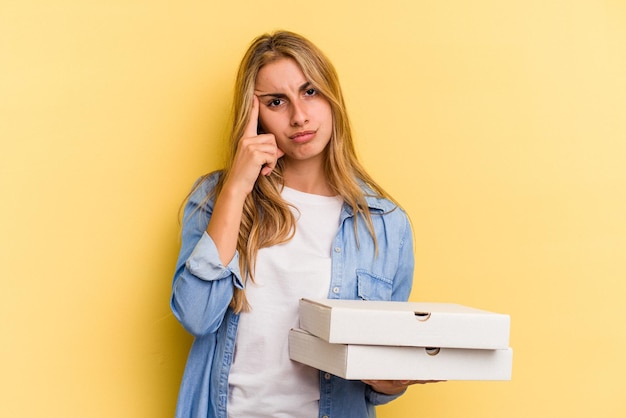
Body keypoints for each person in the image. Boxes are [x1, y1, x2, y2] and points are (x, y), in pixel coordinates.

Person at [171, 30, 425, 418]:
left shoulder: (385, 224)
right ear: (254, 115)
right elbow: (195, 316)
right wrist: (238, 186)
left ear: (331, 97)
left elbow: (380, 372)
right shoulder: (214, 198)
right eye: (277, 101)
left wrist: (388, 382)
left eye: (310, 92)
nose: (299, 116)